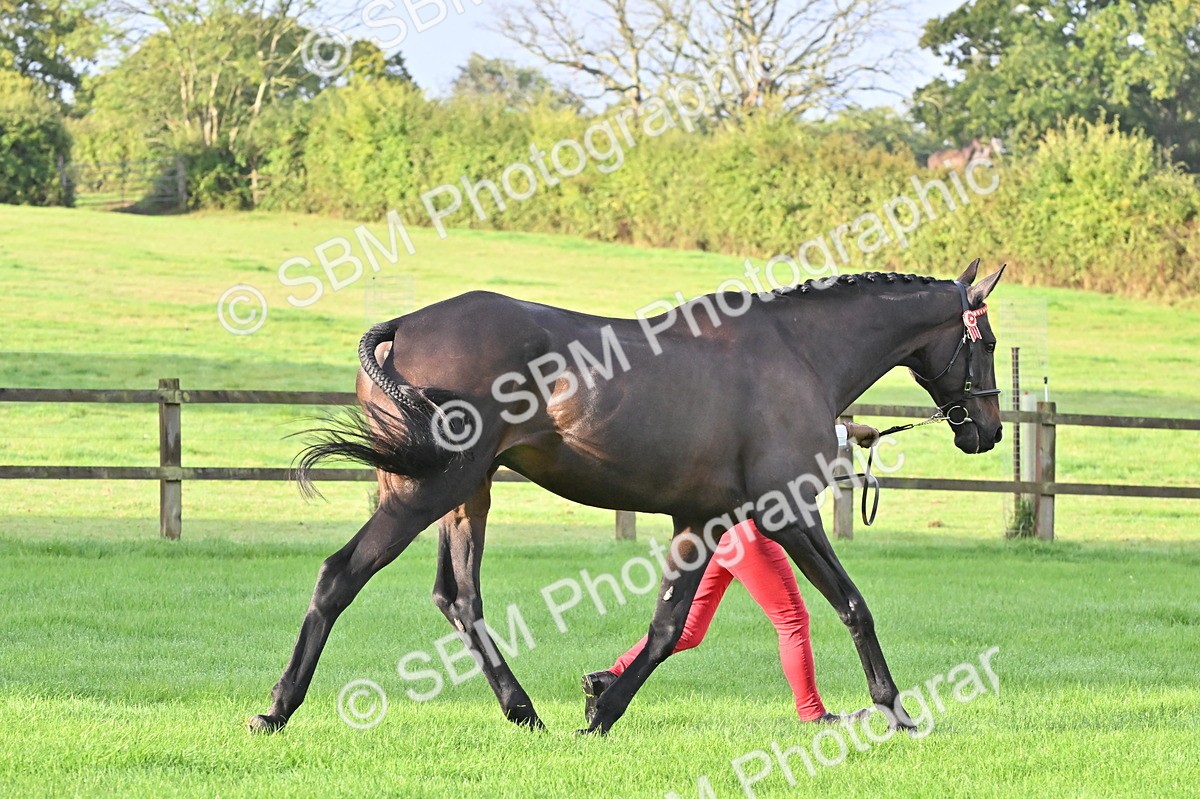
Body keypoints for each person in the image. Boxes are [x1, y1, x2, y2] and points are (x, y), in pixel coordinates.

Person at [583, 422, 881, 725]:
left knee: (688, 630)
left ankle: (611, 677)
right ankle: (813, 714)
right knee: (792, 618)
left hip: (715, 529)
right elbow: (794, 428)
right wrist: (850, 430)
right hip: (748, 530)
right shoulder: (763, 401)